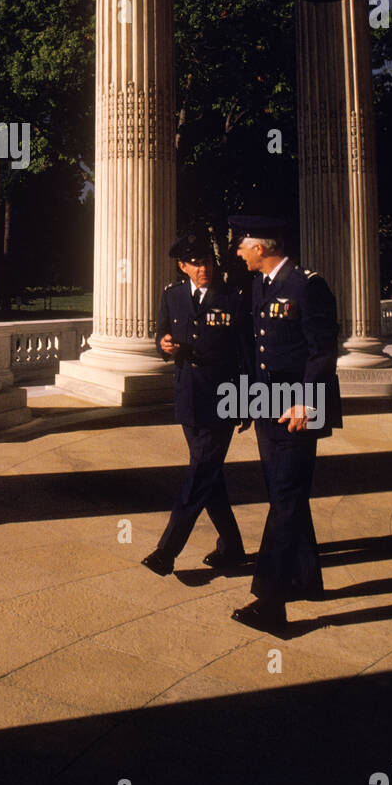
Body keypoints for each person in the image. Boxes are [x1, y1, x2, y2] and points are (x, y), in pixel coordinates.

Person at [228, 214, 342, 634]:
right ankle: (306, 580)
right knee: (283, 493)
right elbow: (256, 350)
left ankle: (271, 603)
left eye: (242, 243)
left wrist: (307, 404)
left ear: (262, 247)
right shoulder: (260, 284)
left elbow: (322, 351)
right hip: (266, 406)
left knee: (287, 499)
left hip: (297, 411)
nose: (237, 250)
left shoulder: (308, 285)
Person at [141, 228, 247, 577]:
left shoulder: (233, 296)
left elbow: (246, 352)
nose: (205, 269)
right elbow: (161, 333)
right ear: (183, 266)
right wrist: (165, 344)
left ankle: (166, 551)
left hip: (223, 397)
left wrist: (247, 400)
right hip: (188, 394)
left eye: (209, 262)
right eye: (197, 263)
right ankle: (232, 546)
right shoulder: (172, 295)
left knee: (200, 470)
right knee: (209, 475)